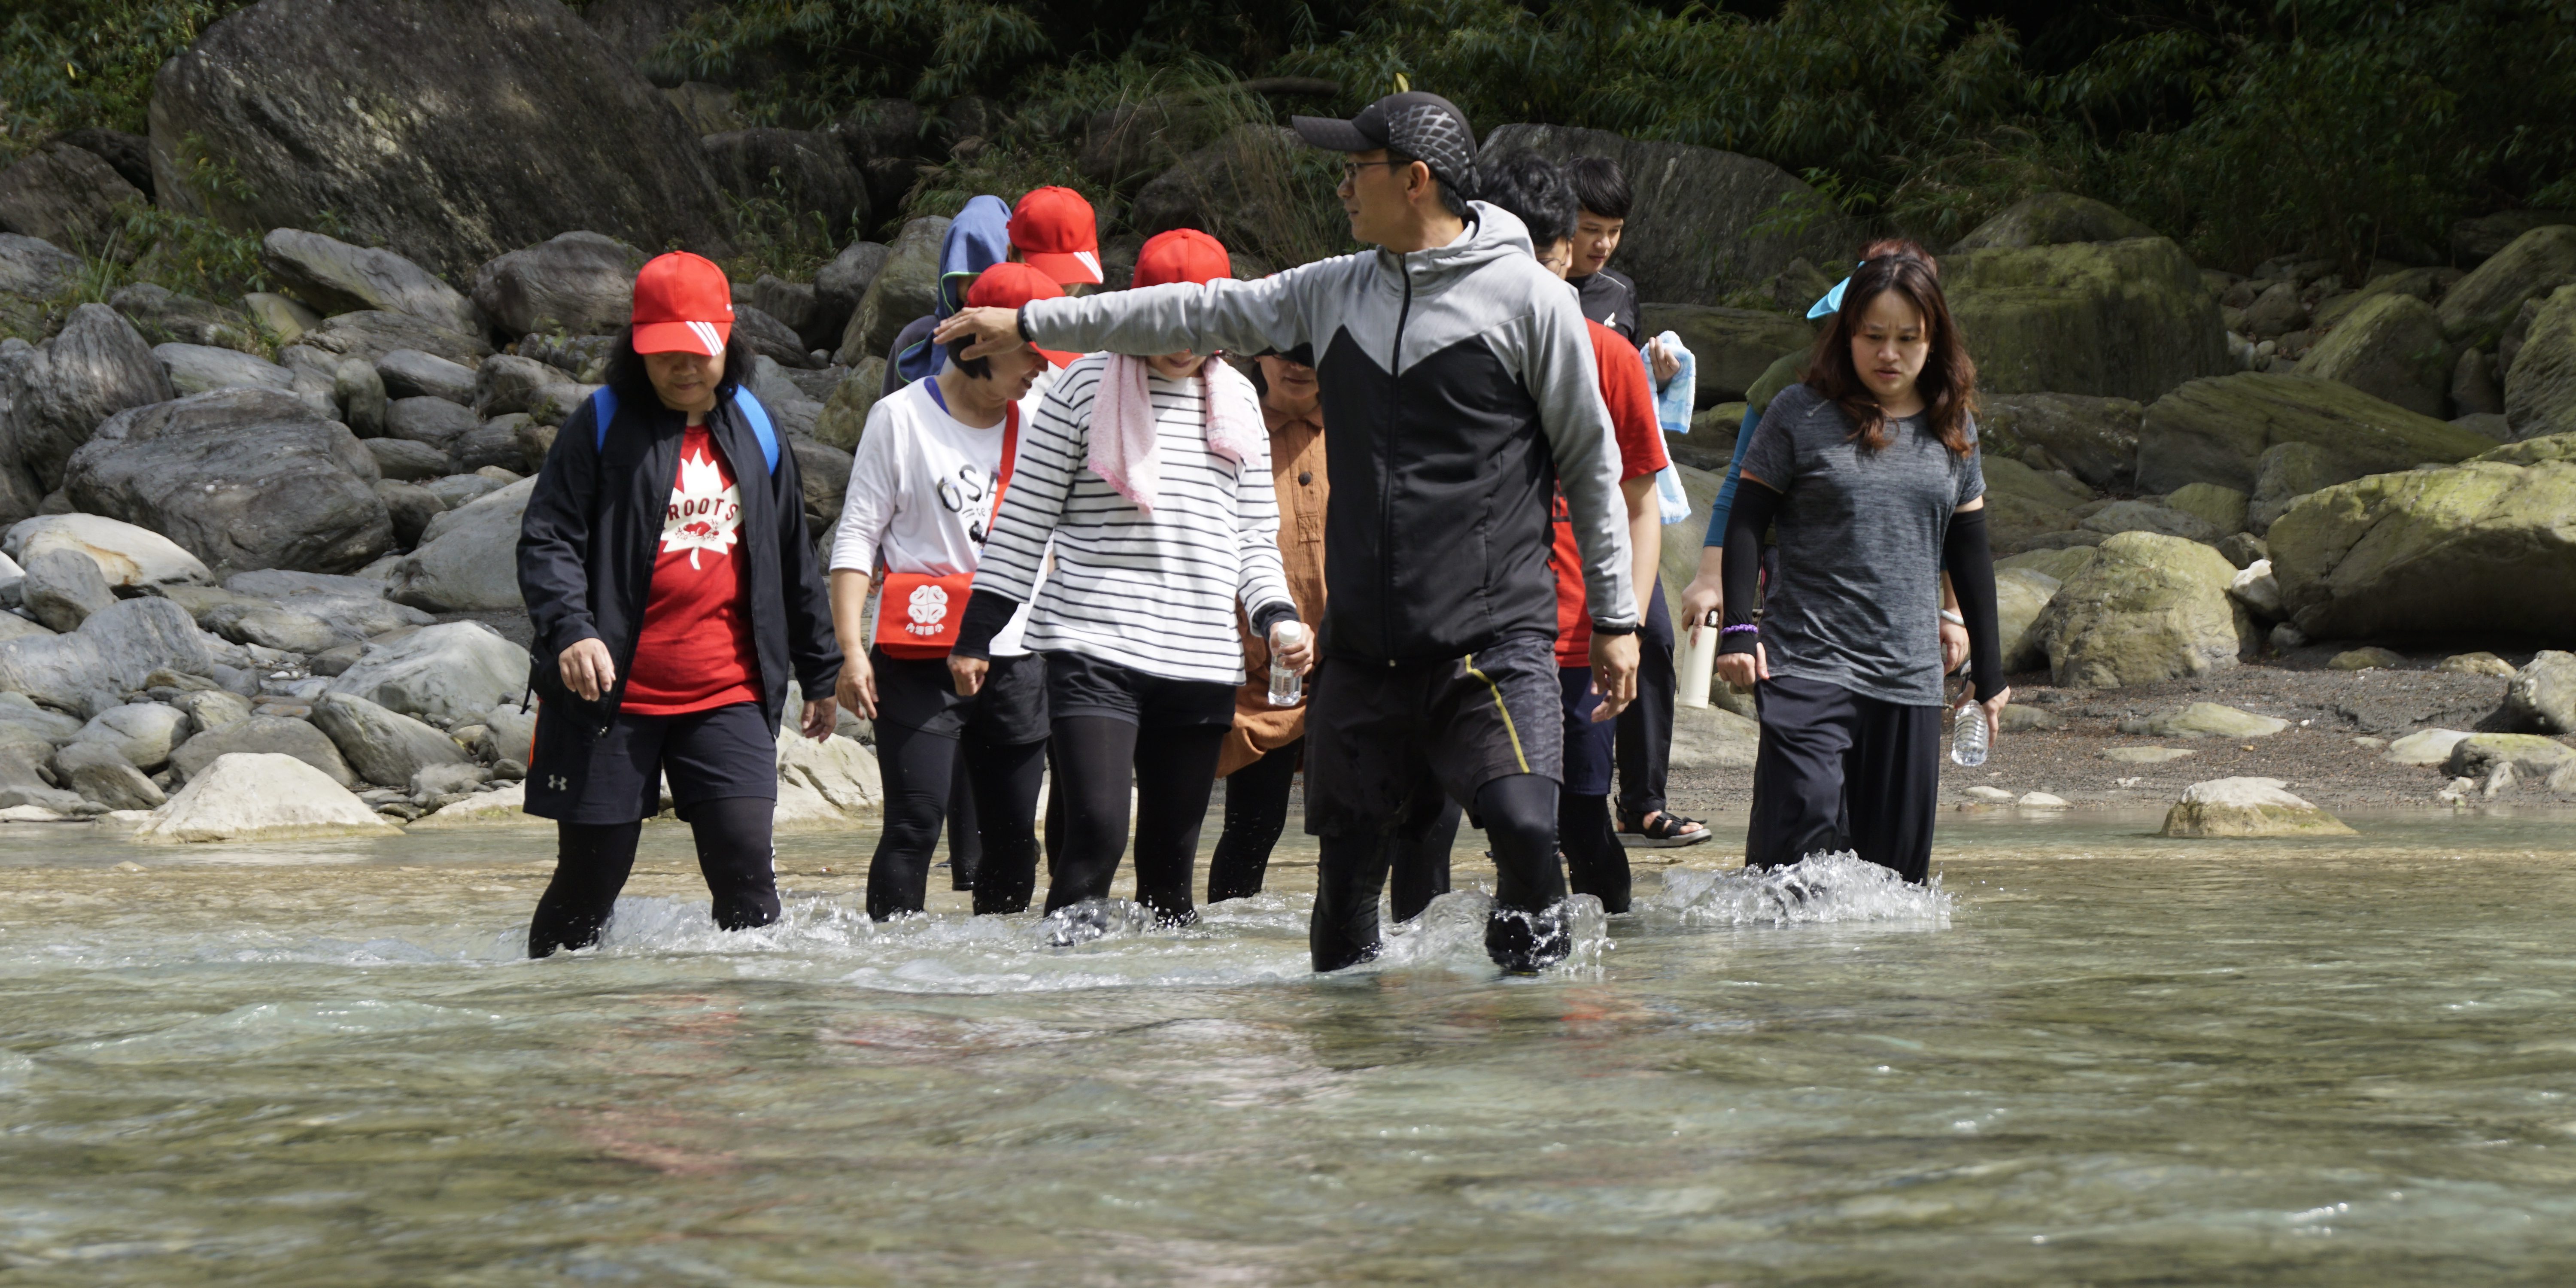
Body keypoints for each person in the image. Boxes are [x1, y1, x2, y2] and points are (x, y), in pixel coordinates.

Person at [935, 89, 1642, 974]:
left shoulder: (1531, 302)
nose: (1342, 188)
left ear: (1415, 181)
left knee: (1529, 828)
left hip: (1491, 641)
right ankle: (1349, 1078)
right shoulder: (1333, 290)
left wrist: (1616, 619)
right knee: (1345, 885)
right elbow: (1185, 313)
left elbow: (1593, 462)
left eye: (1357, 171)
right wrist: (1037, 321)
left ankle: (1530, 1025)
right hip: (1365, 653)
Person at [948, 228, 1311, 929]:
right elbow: (1024, 520)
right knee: (1096, 836)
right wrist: (977, 636)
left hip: (1201, 658)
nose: (1182, 341)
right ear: (1131, 312)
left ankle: (1160, 1034)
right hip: (1094, 648)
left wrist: (1279, 618)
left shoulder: (1237, 400)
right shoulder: (1082, 386)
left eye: (1200, 324)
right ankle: (1069, 1011)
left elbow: (1252, 542)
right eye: (1164, 321)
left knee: (1171, 871)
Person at [518, 251, 842, 957]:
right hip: (612, 700)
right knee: (588, 885)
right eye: (663, 354)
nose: (683, 368)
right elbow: (548, 540)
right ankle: (546, 1026)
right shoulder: (599, 425)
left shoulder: (755, 426)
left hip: (727, 691)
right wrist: (571, 629)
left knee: (748, 880)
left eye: (698, 351)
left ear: (728, 340)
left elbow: (793, 556)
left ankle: (752, 1049)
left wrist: (823, 670)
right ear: (638, 350)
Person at [1711, 241, 2007, 884]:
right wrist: (1738, 626)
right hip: (1806, 666)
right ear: (1847, 335)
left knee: (1896, 883)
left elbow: (1969, 548)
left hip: (1908, 678)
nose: (1889, 353)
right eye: (1873, 335)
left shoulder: (1953, 426)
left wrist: (1990, 667)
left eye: (1909, 338)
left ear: (1936, 342)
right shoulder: (1799, 413)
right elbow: (1747, 519)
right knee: (1793, 864)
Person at [828, 263, 1074, 920]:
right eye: (1030, 354)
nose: (1040, 371)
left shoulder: (1046, 420)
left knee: (1015, 842)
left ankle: (990, 994)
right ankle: (893, 981)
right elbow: (856, 537)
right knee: (913, 826)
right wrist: (850, 650)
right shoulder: (899, 420)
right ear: (979, 346)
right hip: (917, 657)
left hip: (1018, 655)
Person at [1471, 147, 1668, 914]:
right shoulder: (1451, 345)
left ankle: (1608, 984)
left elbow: (1641, 502)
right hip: (1477, 633)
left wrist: (1626, 624)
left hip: (1582, 634)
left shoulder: (1611, 357)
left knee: (1583, 818)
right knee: (1484, 823)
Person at [1560, 153, 1700, 850]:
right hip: (1544, 508)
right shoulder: (1525, 286)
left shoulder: (1619, 292)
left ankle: (1641, 802)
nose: (1602, 244)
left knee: (1656, 638)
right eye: (1589, 228)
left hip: (1616, 503)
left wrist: (1656, 370)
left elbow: (1628, 400)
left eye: (1613, 230)